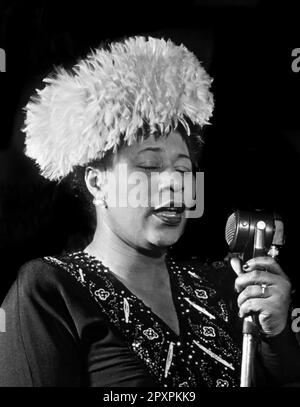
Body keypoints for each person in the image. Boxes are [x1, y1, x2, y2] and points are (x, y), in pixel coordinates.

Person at [0, 36, 299, 387]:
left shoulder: (225, 285)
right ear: (97, 184)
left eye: (183, 170)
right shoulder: (50, 290)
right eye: (149, 168)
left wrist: (276, 333)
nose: (174, 183)